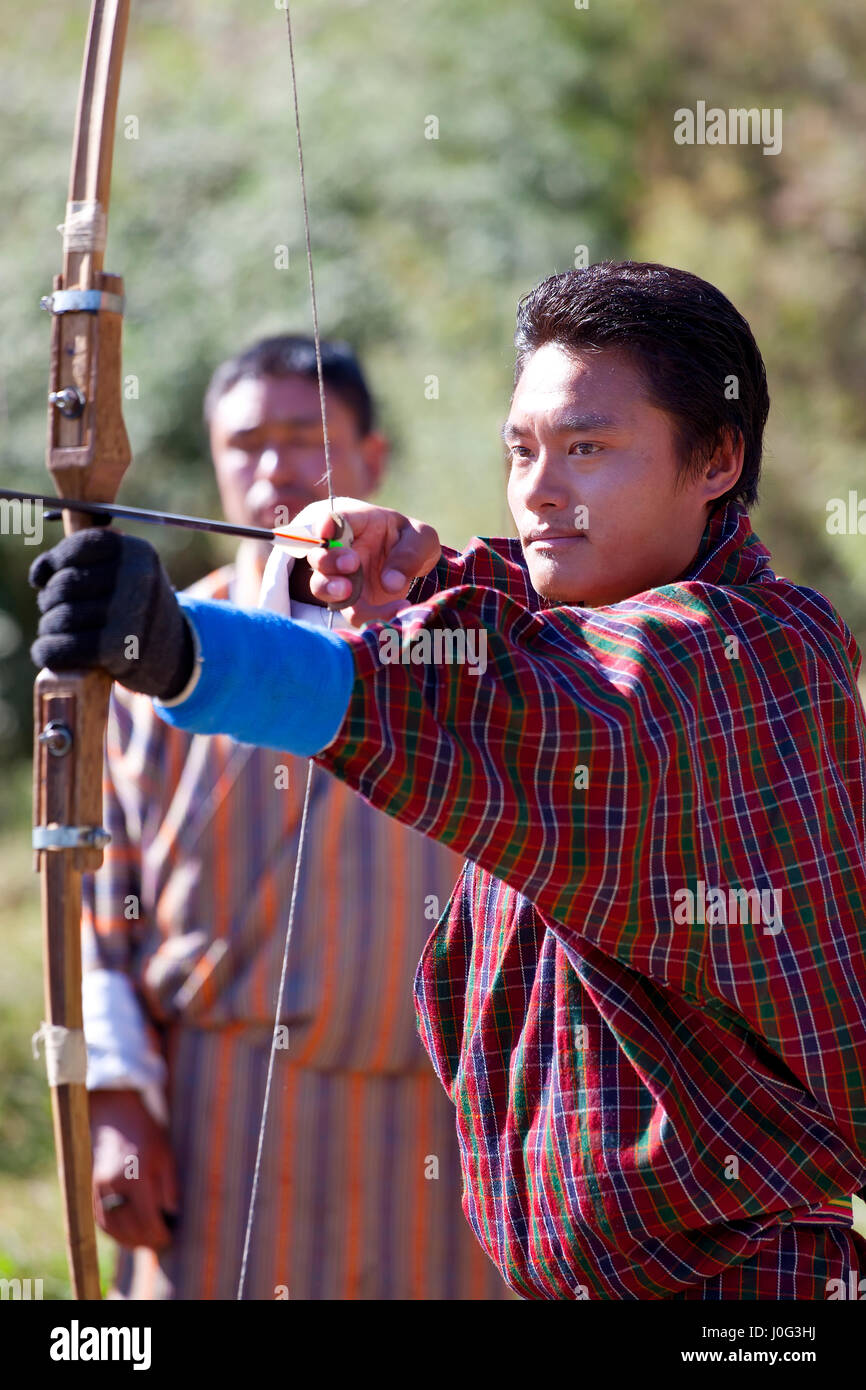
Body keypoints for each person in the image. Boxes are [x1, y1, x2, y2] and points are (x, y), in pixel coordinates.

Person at [31, 264, 866, 1300]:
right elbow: (541, 623)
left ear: (715, 458)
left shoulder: (748, 653)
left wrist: (184, 653)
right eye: (521, 451)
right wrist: (422, 578)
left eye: (587, 448)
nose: (539, 489)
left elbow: (541, 711)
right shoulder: (593, 619)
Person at [74, 334, 510, 1300]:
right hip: (221, 1118)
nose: (274, 466)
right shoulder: (156, 646)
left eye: (302, 436)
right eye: (245, 443)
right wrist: (114, 1100)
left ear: (371, 461)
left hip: (440, 1124)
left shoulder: (458, 640)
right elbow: (98, 904)